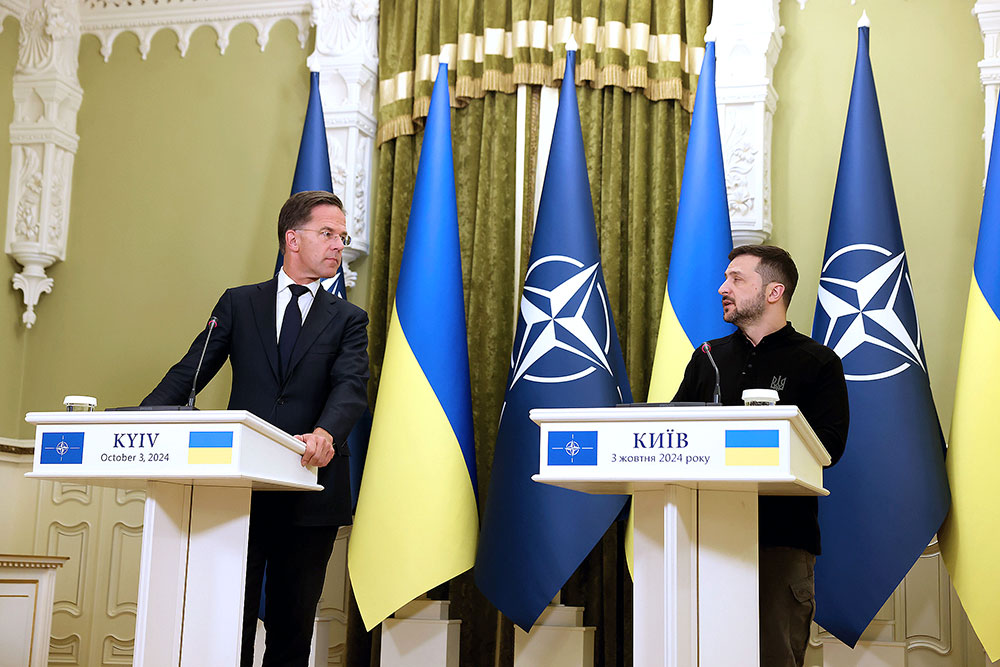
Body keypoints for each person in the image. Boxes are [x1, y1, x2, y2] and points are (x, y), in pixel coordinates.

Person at [141, 190, 369, 666]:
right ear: (292, 238)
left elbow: (350, 386)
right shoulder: (240, 303)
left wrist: (327, 432)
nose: (338, 246)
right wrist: (140, 422)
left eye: (342, 237)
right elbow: (190, 372)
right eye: (328, 234)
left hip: (311, 484)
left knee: (292, 623)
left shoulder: (349, 319)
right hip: (236, 489)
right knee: (230, 618)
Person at [672, 244, 849, 667]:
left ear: (773, 292)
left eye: (737, 279)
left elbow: (828, 448)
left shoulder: (817, 363)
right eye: (725, 278)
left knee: (774, 656)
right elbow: (674, 433)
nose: (722, 288)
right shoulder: (708, 359)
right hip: (704, 535)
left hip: (780, 540)